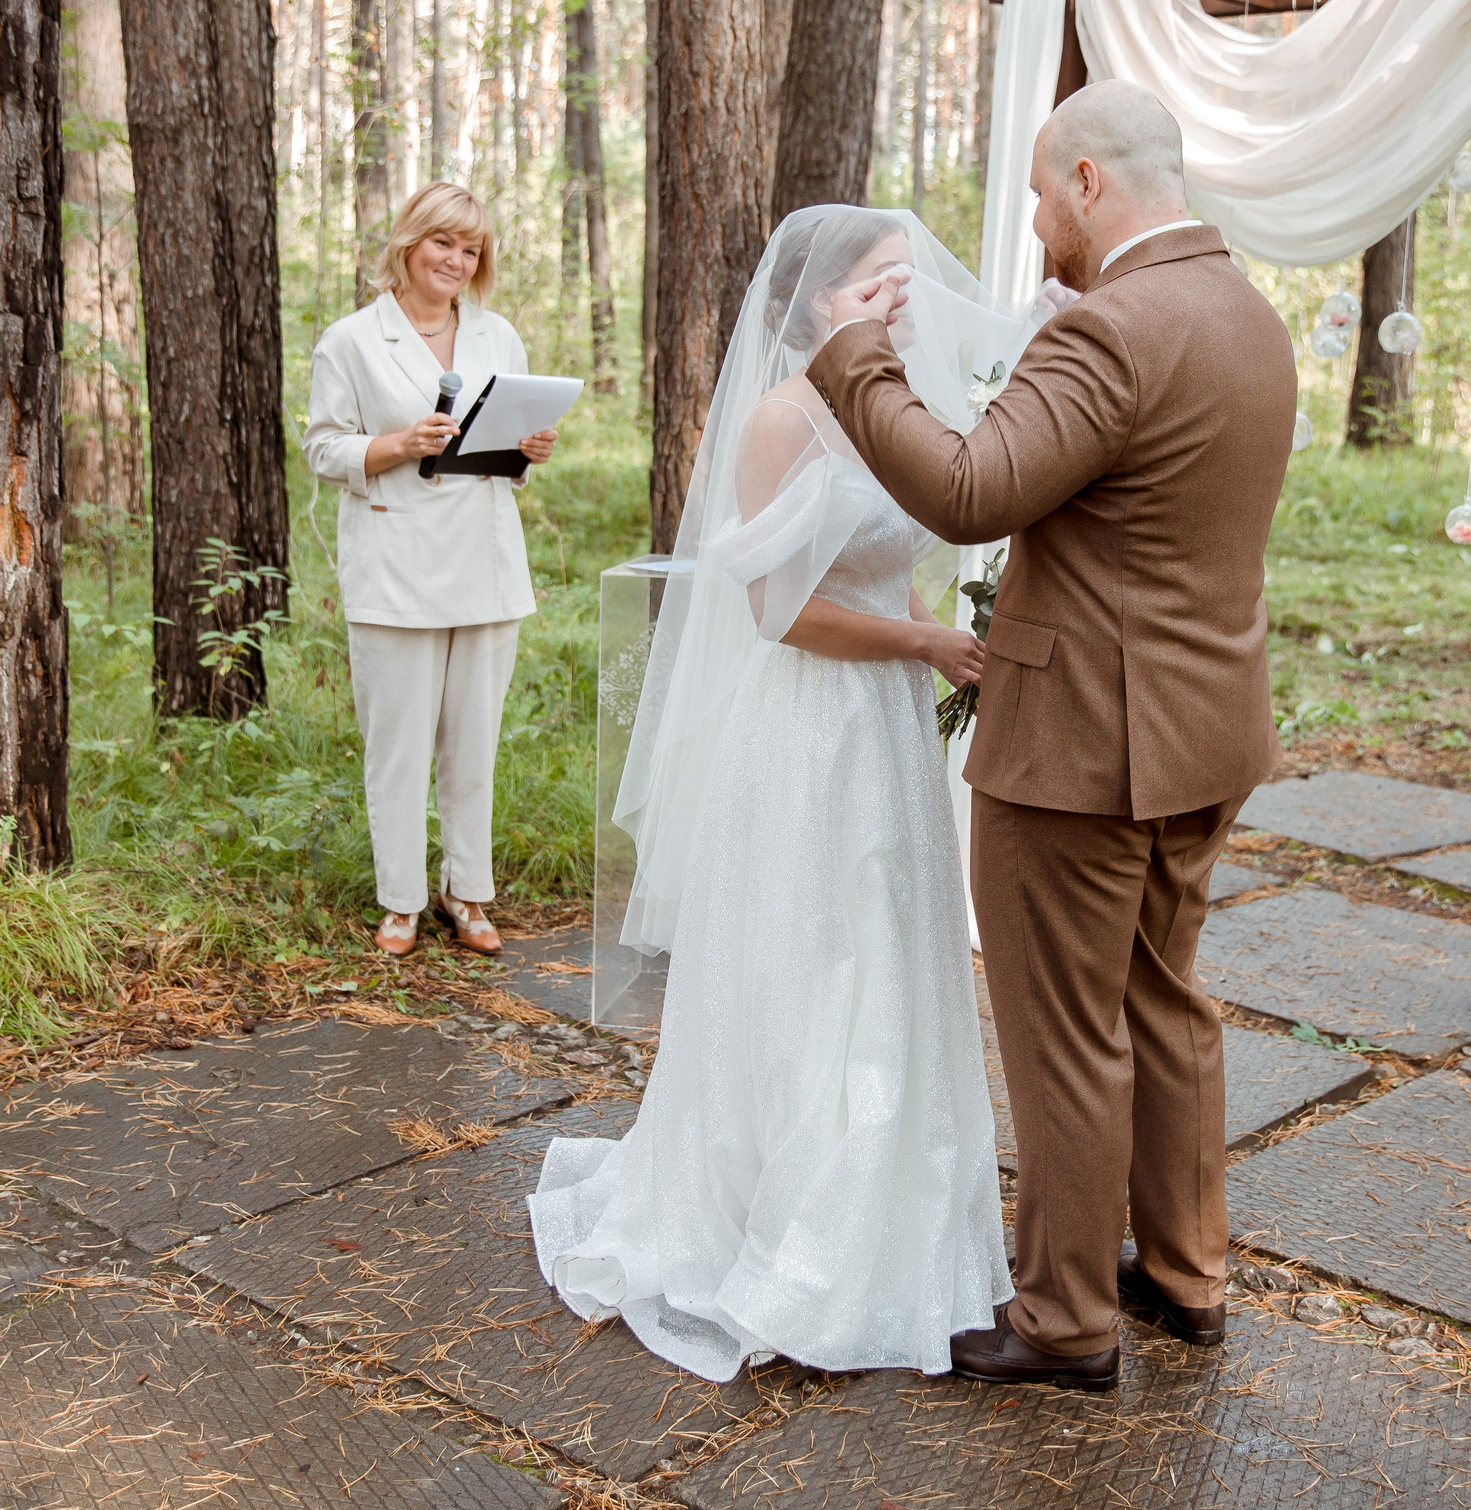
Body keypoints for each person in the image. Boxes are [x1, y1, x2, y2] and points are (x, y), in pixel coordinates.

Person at [813, 80, 1300, 1390]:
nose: (1036, 220)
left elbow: (971, 491)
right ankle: (1185, 1271)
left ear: (1090, 180)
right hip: (1207, 729)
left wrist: (853, 360)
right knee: (1165, 998)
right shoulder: (1250, 314)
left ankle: (1069, 1314)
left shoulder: (1110, 330)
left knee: (1064, 1025)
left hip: (1082, 746)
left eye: (1039, 190)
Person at [525, 206, 1028, 1382]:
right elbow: (780, 613)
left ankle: (891, 1206)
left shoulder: (899, 412)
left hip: (888, 732)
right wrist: (926, 654)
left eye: (909, 279)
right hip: (807, 729)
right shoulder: (781, 421)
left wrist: (937, 632)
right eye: (876, 285)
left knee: (888, 946)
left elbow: (895, 562)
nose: (902, 298)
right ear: (814, 309)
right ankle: (785, 1222)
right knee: (814, 952)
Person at [301, 181, 559, 960]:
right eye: (443, 242)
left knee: (473, 741)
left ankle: (467, 891)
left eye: (470, 249)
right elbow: (322, 447)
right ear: (409, 245)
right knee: (400, 744)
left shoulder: (497, 336)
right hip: (395, 562)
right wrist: (397, 445)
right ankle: (402, 900)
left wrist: (527, 453)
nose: (455, 259)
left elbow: (504, 446)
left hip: (484, 560)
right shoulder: (351, 340)